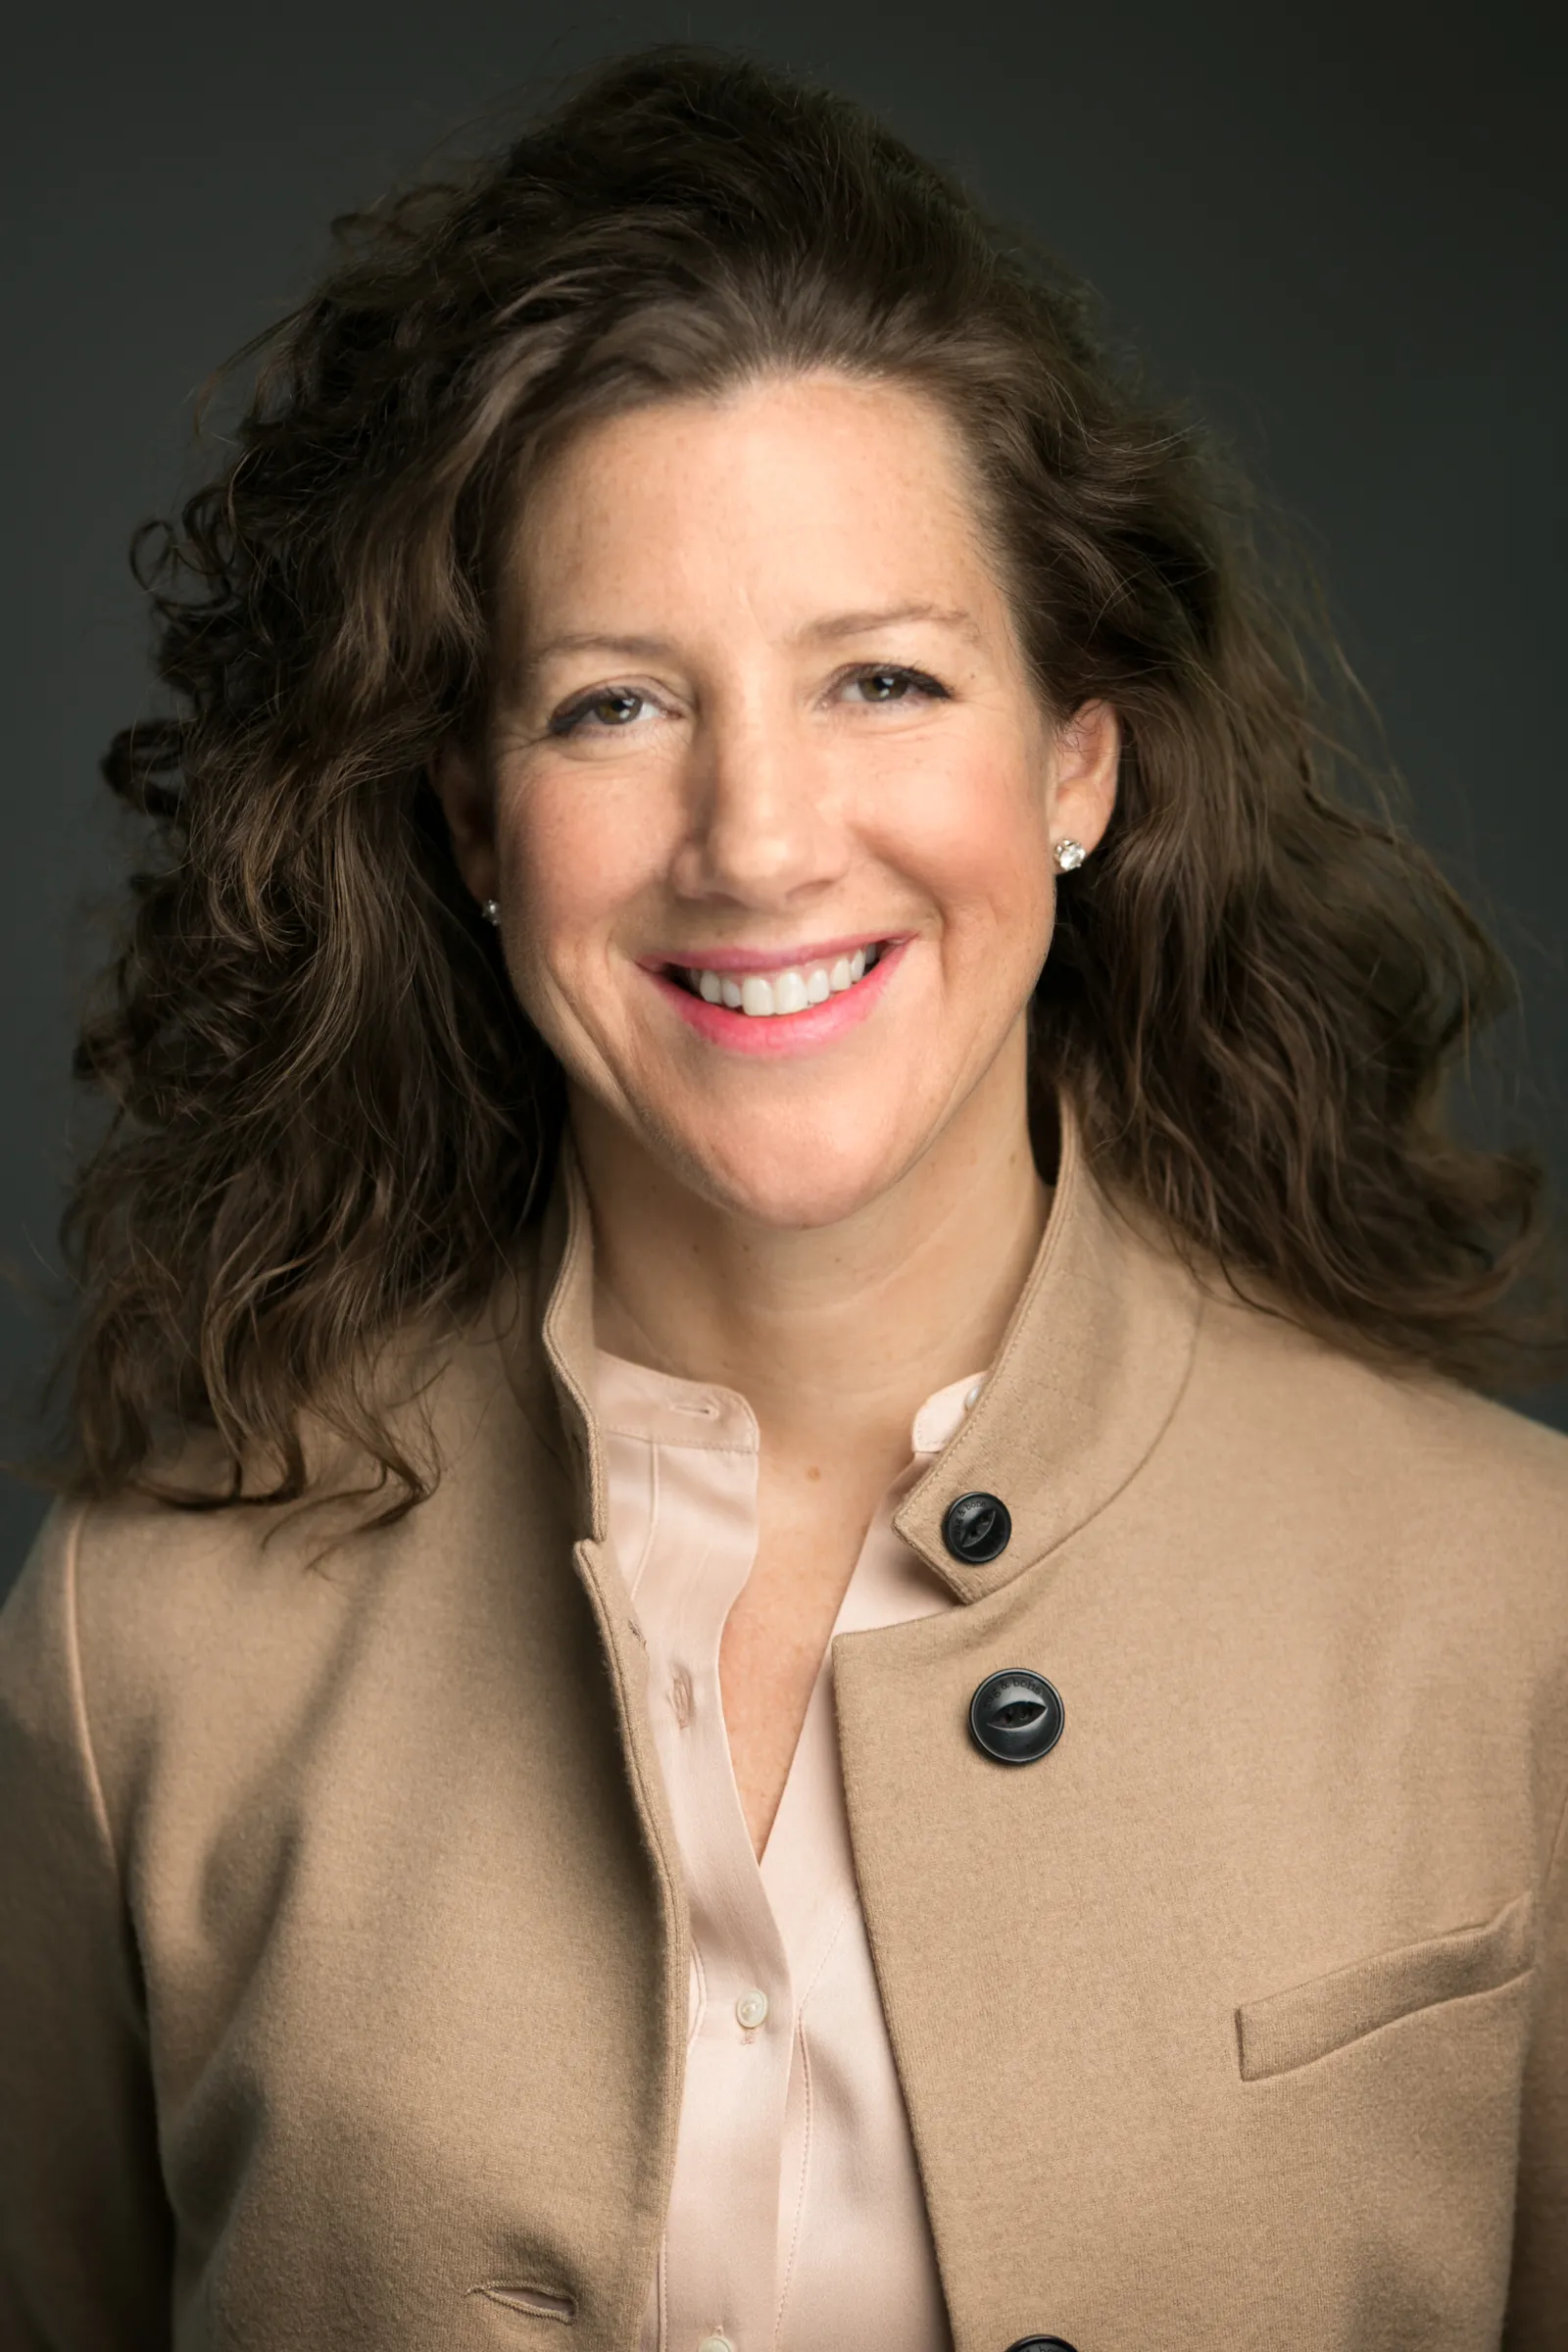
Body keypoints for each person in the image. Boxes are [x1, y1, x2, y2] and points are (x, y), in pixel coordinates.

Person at [0, 43, 1563, 2352]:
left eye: (883, 681)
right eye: (614, 707)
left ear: (1074, 769)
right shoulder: (140, 1649)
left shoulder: (1508, 1604)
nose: (753, 839)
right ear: (470, 829)